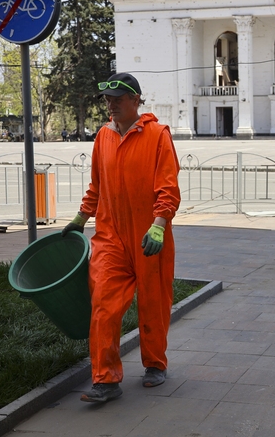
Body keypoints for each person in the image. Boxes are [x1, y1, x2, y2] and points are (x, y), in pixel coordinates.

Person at [62, 72, 181, 403]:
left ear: (136, 101)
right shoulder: (103, 136)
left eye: (117, 98)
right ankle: (105, 379)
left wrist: (159, 223)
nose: (111, 104)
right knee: (103, 303)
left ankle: (155, 364)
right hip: (110, 235)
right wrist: (81, 216)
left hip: (149, 235)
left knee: (153, 303)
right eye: (107, 99)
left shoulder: (157, 135)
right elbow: (97, 186)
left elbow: (168, 187)